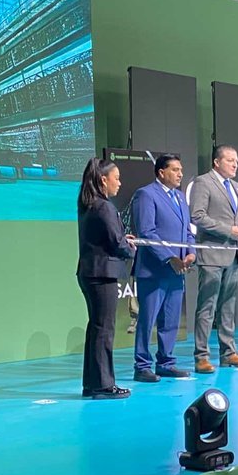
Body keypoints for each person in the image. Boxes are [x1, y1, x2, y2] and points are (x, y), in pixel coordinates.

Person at [190, 145, 238, 373]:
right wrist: (228, 230)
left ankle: (228, 353)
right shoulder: (203, 182)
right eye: (230, 160)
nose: (235, 164)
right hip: (211, 254)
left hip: (234, 254)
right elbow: (197, 216)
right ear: (217, 162)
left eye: (236, 160)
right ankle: (201, 356)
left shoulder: (237, 187)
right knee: (207, 307)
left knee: (228, 307)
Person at [131, 154, 195, 382]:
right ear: (161, 172)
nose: (180, 174)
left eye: (181, 170)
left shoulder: (180, 197)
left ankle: (166, 362)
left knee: (170, 320)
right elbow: (146, 232)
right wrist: (169, 258)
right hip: (154, 270)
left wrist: (190, 253)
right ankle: (142, 366)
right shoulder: (146, 194)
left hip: (177, 271)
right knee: (147, 319)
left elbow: (188, 231)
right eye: (175, 170)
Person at [76, 158, 136, 399]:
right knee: (104, 330)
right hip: (102, 274)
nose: (119, 183)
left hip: (89, 272)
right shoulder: (105, 207)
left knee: (96, 328)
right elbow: (117, 243)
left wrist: (121, 240)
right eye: (116, 178)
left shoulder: (88, 204)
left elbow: (108, 237)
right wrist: (130, 248)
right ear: (103, 180)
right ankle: (103, 385)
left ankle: (92, 384)